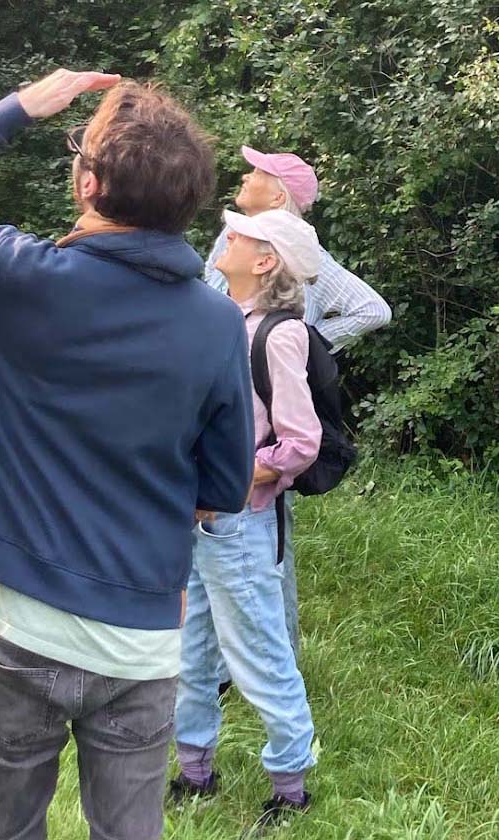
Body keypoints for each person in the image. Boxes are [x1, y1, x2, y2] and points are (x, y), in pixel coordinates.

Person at [0, 71, 254, 840]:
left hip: (16, 629)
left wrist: (14, 110)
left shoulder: (11, 279)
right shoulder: (218, 323)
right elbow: (223, 482)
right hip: (141, 643)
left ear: (87, 182)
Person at [205, 145, 391, 656]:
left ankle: (273, 664)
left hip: (260, 426)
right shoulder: (238, 236)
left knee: (264, 539)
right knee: (242, 544)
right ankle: (232, 665)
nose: (244, 175)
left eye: (257, 171)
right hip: (225, 409)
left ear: (279, 193)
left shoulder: (285, 251)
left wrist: (304, 344)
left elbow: (372, 309)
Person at [172, 208, 323, 826]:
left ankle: (290, 788)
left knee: (258, 653)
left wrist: (228, 481)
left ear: (265, 262)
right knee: (190, 649)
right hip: (195, 522)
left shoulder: (279, 335)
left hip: (239, 524)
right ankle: (193, 771)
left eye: (239, 235)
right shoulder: (218, 319)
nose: (225, 238)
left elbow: (299, 442)